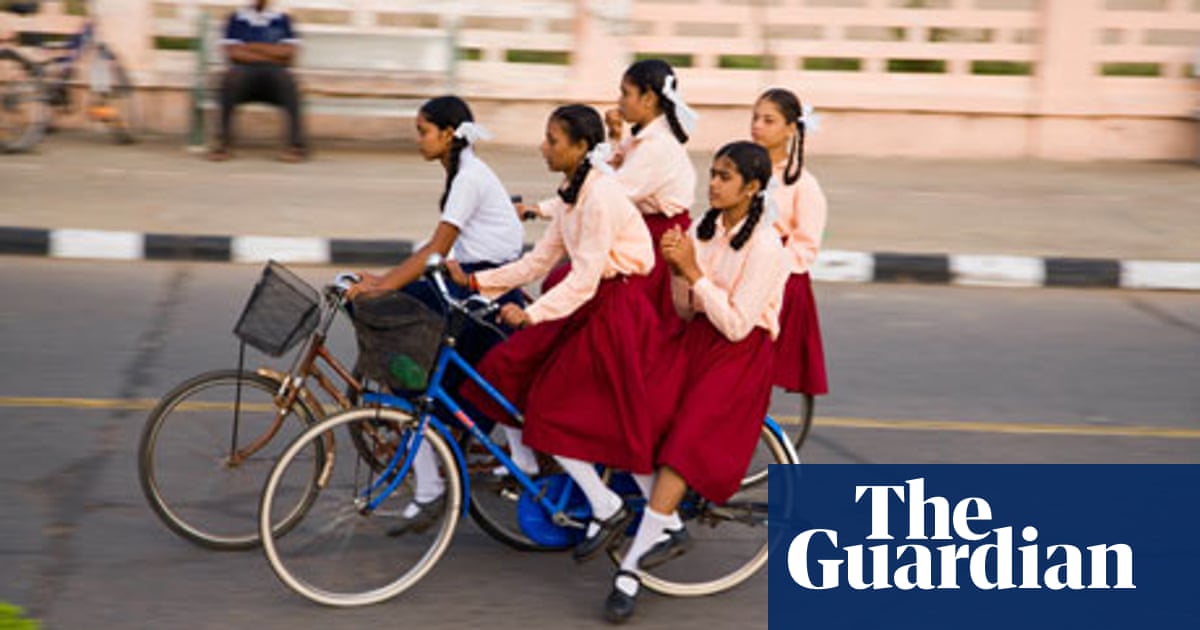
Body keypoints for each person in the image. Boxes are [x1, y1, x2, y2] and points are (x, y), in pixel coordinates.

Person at [449, 104, 663, 563]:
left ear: (581, 147)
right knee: (510, 371)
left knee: (555, 412)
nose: (543, 147)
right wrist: (476, 282)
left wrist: (532, 314)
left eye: (552, 140)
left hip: (615, 309)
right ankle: (546, 477)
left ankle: (609, 506)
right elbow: (538, 262)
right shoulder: (573, 193)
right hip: (590, 305)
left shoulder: (599, 197)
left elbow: (584, 278)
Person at [603, 141, 789, 624]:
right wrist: (678, 274)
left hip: (738, 357)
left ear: (751, 187)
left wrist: (692, 271)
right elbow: (686, 311)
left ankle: (629, 569)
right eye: (713, 173)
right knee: (636, 412)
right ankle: (664, 522)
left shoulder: (767, 247)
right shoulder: (703, 231)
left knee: (682, 446)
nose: (713, 184)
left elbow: (738, 325)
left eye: (725, 177)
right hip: (696, 342)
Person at [347, 95, 525, 535]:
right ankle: (436, 469)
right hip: (472, 282)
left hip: (483, 290)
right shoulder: (462, 173)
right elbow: (438, 250)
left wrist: (382, 287)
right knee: (426, 372)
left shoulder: (468, 178)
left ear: (448, 134)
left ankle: (432, 481)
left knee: (406, 364)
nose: (418, 139)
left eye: (423, 131)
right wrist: (384, 280)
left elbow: (436, 249)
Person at [519, 59, 697, 322]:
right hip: (636, 227)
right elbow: (608, 168)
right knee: (561, 280)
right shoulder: (642, 138)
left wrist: (540, 209)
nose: (620, 101)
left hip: (657, 240)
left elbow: (608, 190)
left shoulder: (657, 146)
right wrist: (615, 136)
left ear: (648, 98)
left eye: (626, 93)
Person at [750, 88, 829, 405]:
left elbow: (806, 246)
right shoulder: (743, 169)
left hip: (780, 279)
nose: (757, 126)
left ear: (790, 129)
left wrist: (769, 267)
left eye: (768, 120)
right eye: (755, 118)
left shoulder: (803, 184)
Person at [209, 0, 306, 163]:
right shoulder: (236, 19)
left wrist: (251, 46)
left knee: (288, 82)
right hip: (244, 76)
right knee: (229, 80)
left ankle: (295, 145)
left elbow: (288, 54)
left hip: (274, 78)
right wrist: (271, 53)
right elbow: (234, 54)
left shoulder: (282, 19)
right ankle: (223, 143)